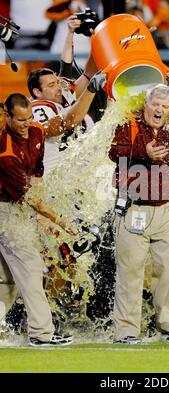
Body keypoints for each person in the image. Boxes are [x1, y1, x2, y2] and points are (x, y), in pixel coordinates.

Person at [108, 84, 169, 344]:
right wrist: (142, 153)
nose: (159, 109)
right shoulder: (128, 124)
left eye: (164, 106)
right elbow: (113, 151)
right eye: (155, 104)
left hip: (167, 208)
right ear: (145, 104)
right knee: (130, 270)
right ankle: (126, 331)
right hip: (134, 206)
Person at [0, 93, 76, 346]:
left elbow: (37, 175)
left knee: (7, 279)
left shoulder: (36, 133)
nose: (26, 124)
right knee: (31, 268)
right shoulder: (5, 152)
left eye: (29, 117)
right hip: (6, 211)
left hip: (20, 207)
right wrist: (59, 219)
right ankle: (41, 334)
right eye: (20, 120)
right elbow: (29, 198)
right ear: (6, 116)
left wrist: (40, 213)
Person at [27, 67, 105, 176]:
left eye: (58, 82)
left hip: (74, 178)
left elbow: (88, 73)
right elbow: (62, 125)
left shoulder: (61, 101)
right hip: (50, 182)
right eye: (51, 85)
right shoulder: (38, 108)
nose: (58, 87)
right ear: (37, 92)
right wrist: (91, 90)